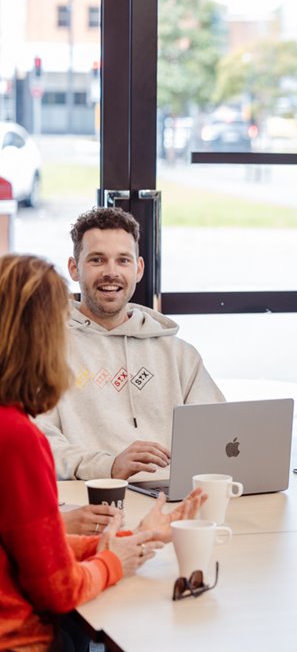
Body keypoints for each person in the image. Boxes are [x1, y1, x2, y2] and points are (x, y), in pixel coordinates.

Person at [0, 253, 206, 651]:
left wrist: (139, 536)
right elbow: (58, 589)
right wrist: (117, 562)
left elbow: (28, 546)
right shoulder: (17, 438)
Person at [33, 207, 223, 531]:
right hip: (92, 509)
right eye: (97, 260)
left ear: (138, 269)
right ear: (73, 268)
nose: (111, 272)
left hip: (175, 512)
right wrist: (110, 466)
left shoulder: (179, 354)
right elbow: (39, 444)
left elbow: (220, 434)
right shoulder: (43, 350)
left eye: (122, 260)